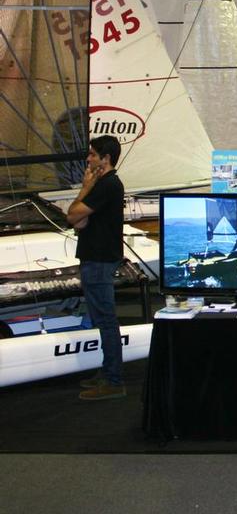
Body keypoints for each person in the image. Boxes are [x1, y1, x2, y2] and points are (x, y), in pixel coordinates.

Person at [67, 135, 126, 401]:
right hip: (95, 257)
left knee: (106, 321)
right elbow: (79, 223)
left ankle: (114, 381)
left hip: (100, 260)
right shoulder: (103, 184)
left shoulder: (107, 185)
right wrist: (88, 188)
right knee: (102, 320)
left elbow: (72, 215)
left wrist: (85, 188)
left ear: (106, 158)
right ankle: (107, 372)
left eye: (92, 154)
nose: (88, 159)